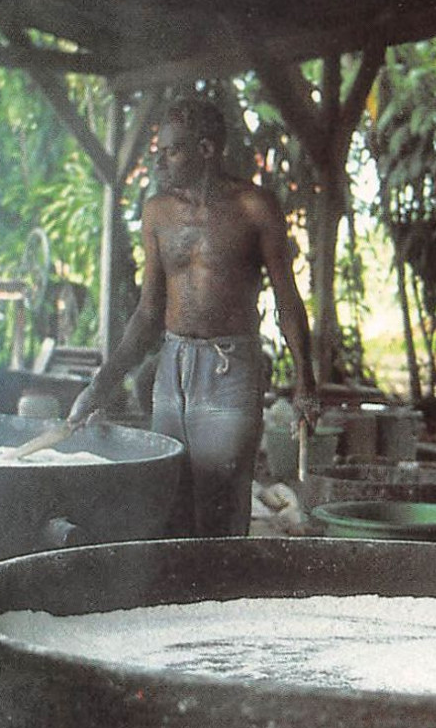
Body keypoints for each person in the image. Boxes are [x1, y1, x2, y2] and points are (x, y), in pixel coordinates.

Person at [69, 97, 318, 537]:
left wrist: (305, 383)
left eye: (173, 150)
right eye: (160, 150)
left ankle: (222, 596)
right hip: (173, 368)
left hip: (231, 369)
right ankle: (181, 599)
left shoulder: (253, 208)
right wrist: (99, 386)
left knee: (221, 501)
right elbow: (148, 314)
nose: (161, 160)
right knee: (170, 498)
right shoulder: (158, 213)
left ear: (206, 149)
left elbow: (287, 299)